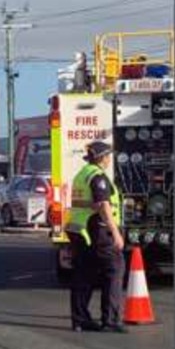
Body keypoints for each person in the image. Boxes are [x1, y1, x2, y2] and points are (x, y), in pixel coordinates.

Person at [66, 140, 126, 333]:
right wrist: (116, 232)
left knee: (84, 274)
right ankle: (110, 320)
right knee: (114, 270)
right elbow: (103, 205)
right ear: (103, 158)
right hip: (97, 230)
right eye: (109, 156)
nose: (110, 159)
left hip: (80, 230)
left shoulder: (81, 175)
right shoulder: (97, 177)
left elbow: (84, 202)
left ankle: (80, 319)